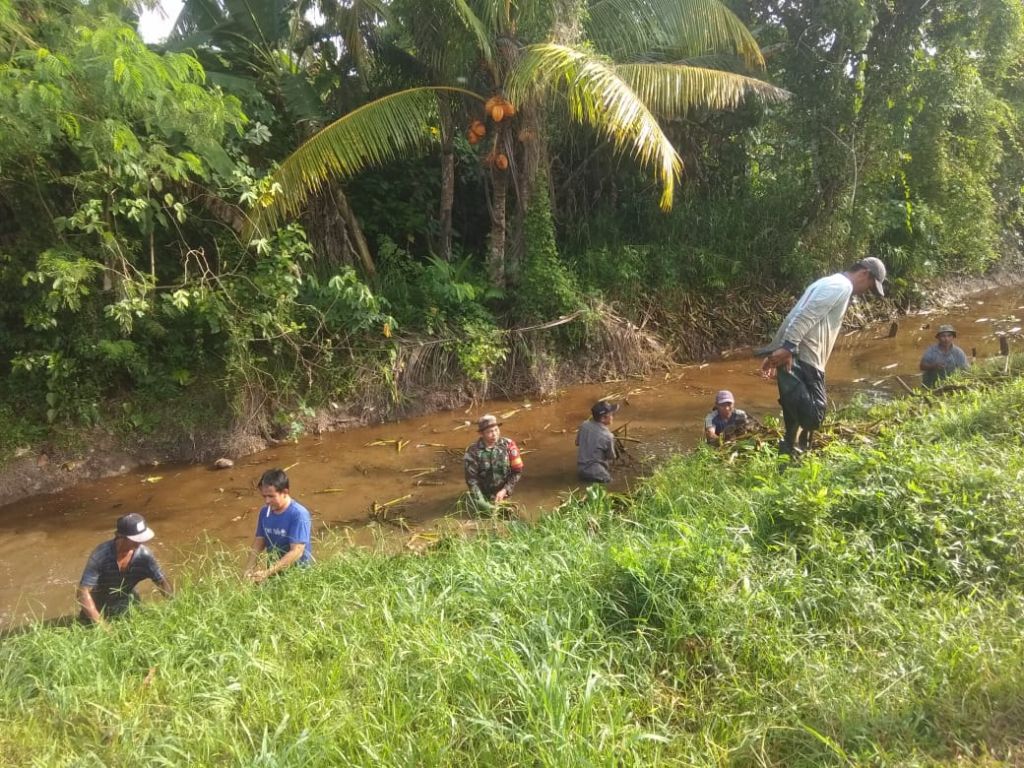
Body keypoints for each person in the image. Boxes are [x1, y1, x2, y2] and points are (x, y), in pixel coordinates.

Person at [760, 257, 887, 455]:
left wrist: (776, 351)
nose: (866, 292)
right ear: (864, 274)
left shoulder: (826, 282)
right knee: (815, 414)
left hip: (801, 356)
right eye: (870, 286)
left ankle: (792, 454)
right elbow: (805, 315)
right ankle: (794, 450)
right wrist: (787, 348)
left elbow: (793, 315)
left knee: (795, 414)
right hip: (805, 358)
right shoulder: (841, 286)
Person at [77, 513, 172, 625]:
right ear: (119, 535)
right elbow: (82, 592)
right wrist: (102, 626)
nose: (139, 542)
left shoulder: (144, 556)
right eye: (135, 539)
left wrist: (174, 606)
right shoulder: (101, 555)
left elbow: (161, 581)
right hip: (99, 603)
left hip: (126, 601)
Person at [245, 468, 313, 583]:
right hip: (273, 574)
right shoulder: (264, 512)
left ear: (285, 492)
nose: (267, 501)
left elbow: (297, 551)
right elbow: (259, 542)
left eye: (271, 496)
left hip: (298, 576)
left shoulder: (298, 514)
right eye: (264, 496)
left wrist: (267, 573)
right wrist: (248, 569)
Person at [463, 414, 524, 510]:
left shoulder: (509, 445)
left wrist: (505, 490)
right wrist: (483, 503)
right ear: (481, 434)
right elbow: (471, 481)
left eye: (496, 430)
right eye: (489, 432)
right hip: (483, 496)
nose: (494, 434)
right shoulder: (472, 452)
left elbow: (517, 471)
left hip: (505, 493)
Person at [577, 400, 619, 483]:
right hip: (597, 473)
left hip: (581, 469)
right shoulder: (608, 436)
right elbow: (611, 456)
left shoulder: (584, 425)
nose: (612, 417)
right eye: (611, 415)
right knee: (611, 485)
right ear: (603, 418)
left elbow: (577, 442)